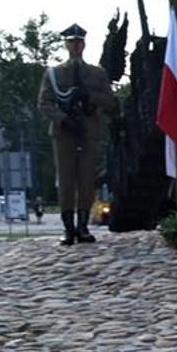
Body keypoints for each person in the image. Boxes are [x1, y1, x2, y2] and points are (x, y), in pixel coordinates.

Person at [36, 23, 118, 246]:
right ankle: (68, 227)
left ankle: (83, 226)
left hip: (89, 130)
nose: (76, 46)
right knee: (66, 180)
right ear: (66, 45)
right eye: (72, 42)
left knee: (87, 179)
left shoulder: (97, 73)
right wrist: (63, 119)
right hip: (64, 132)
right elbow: (44, 103)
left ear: (84, 44)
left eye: (79, 42)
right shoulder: (54, 73)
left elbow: (110, 101)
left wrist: (91, 97)